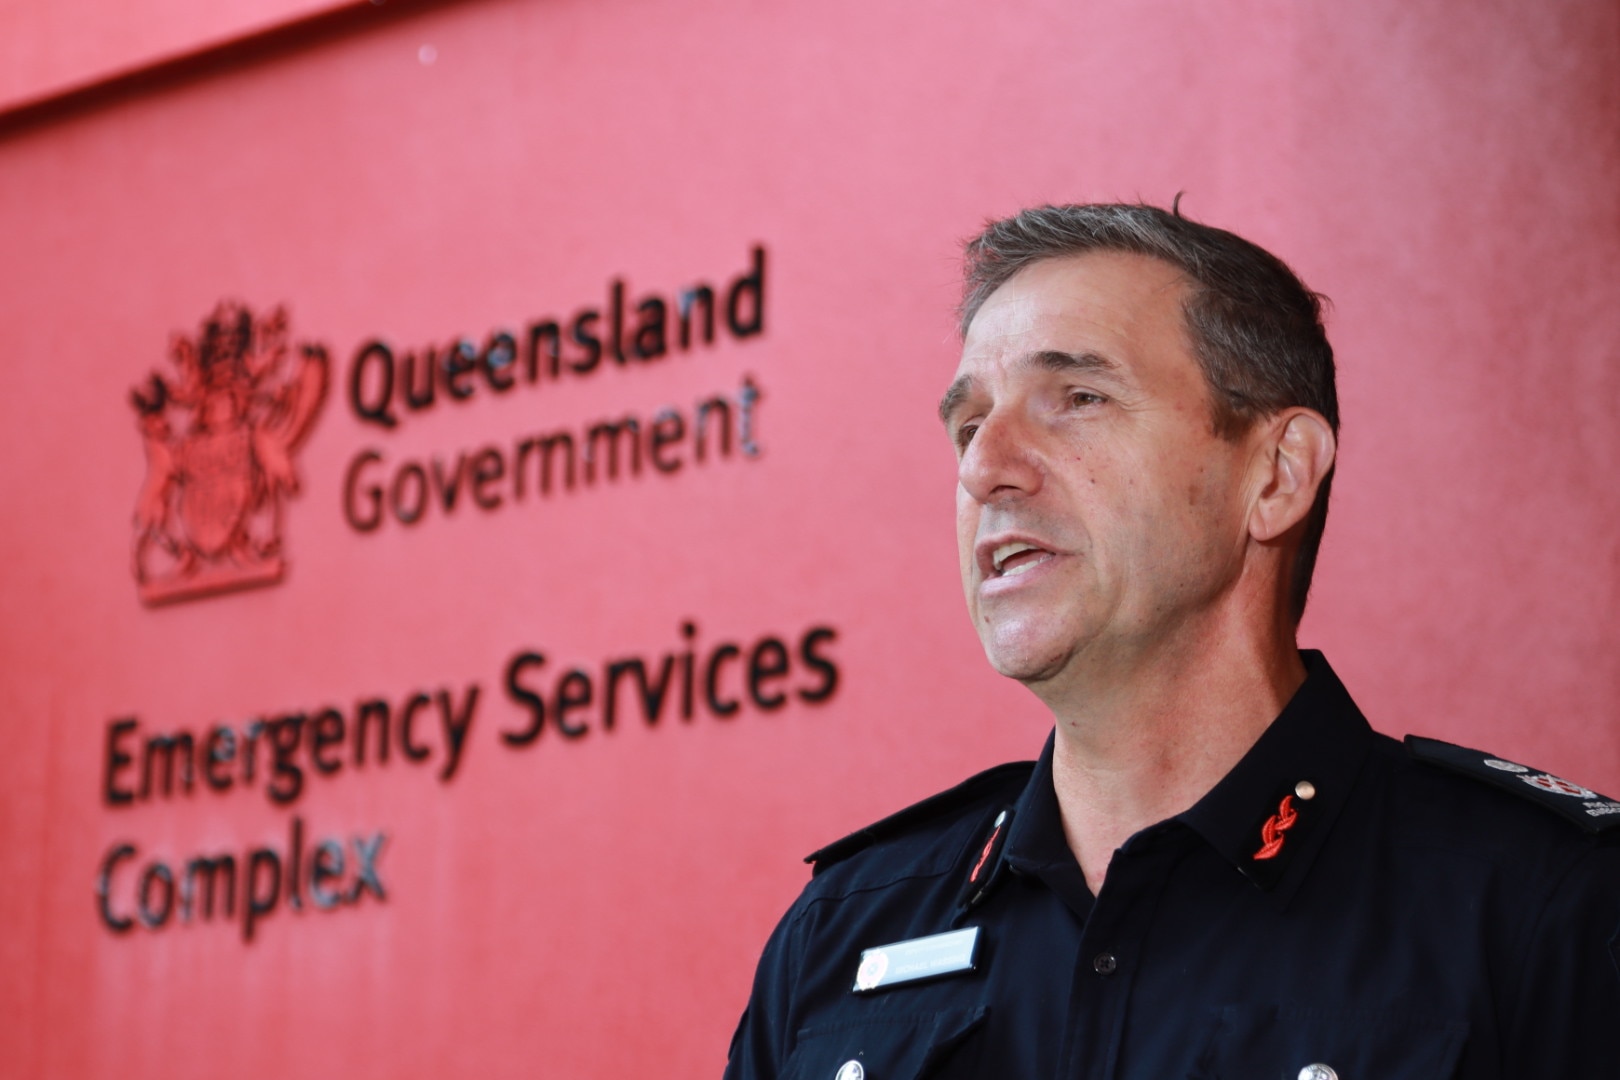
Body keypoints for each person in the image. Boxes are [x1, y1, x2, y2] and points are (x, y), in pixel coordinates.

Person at [722, 203, 1620, 1080]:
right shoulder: (845, 930)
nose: (983, 467)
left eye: (1078, 397)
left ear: (1275, 476)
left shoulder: (1547, 907)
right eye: (968, 424)